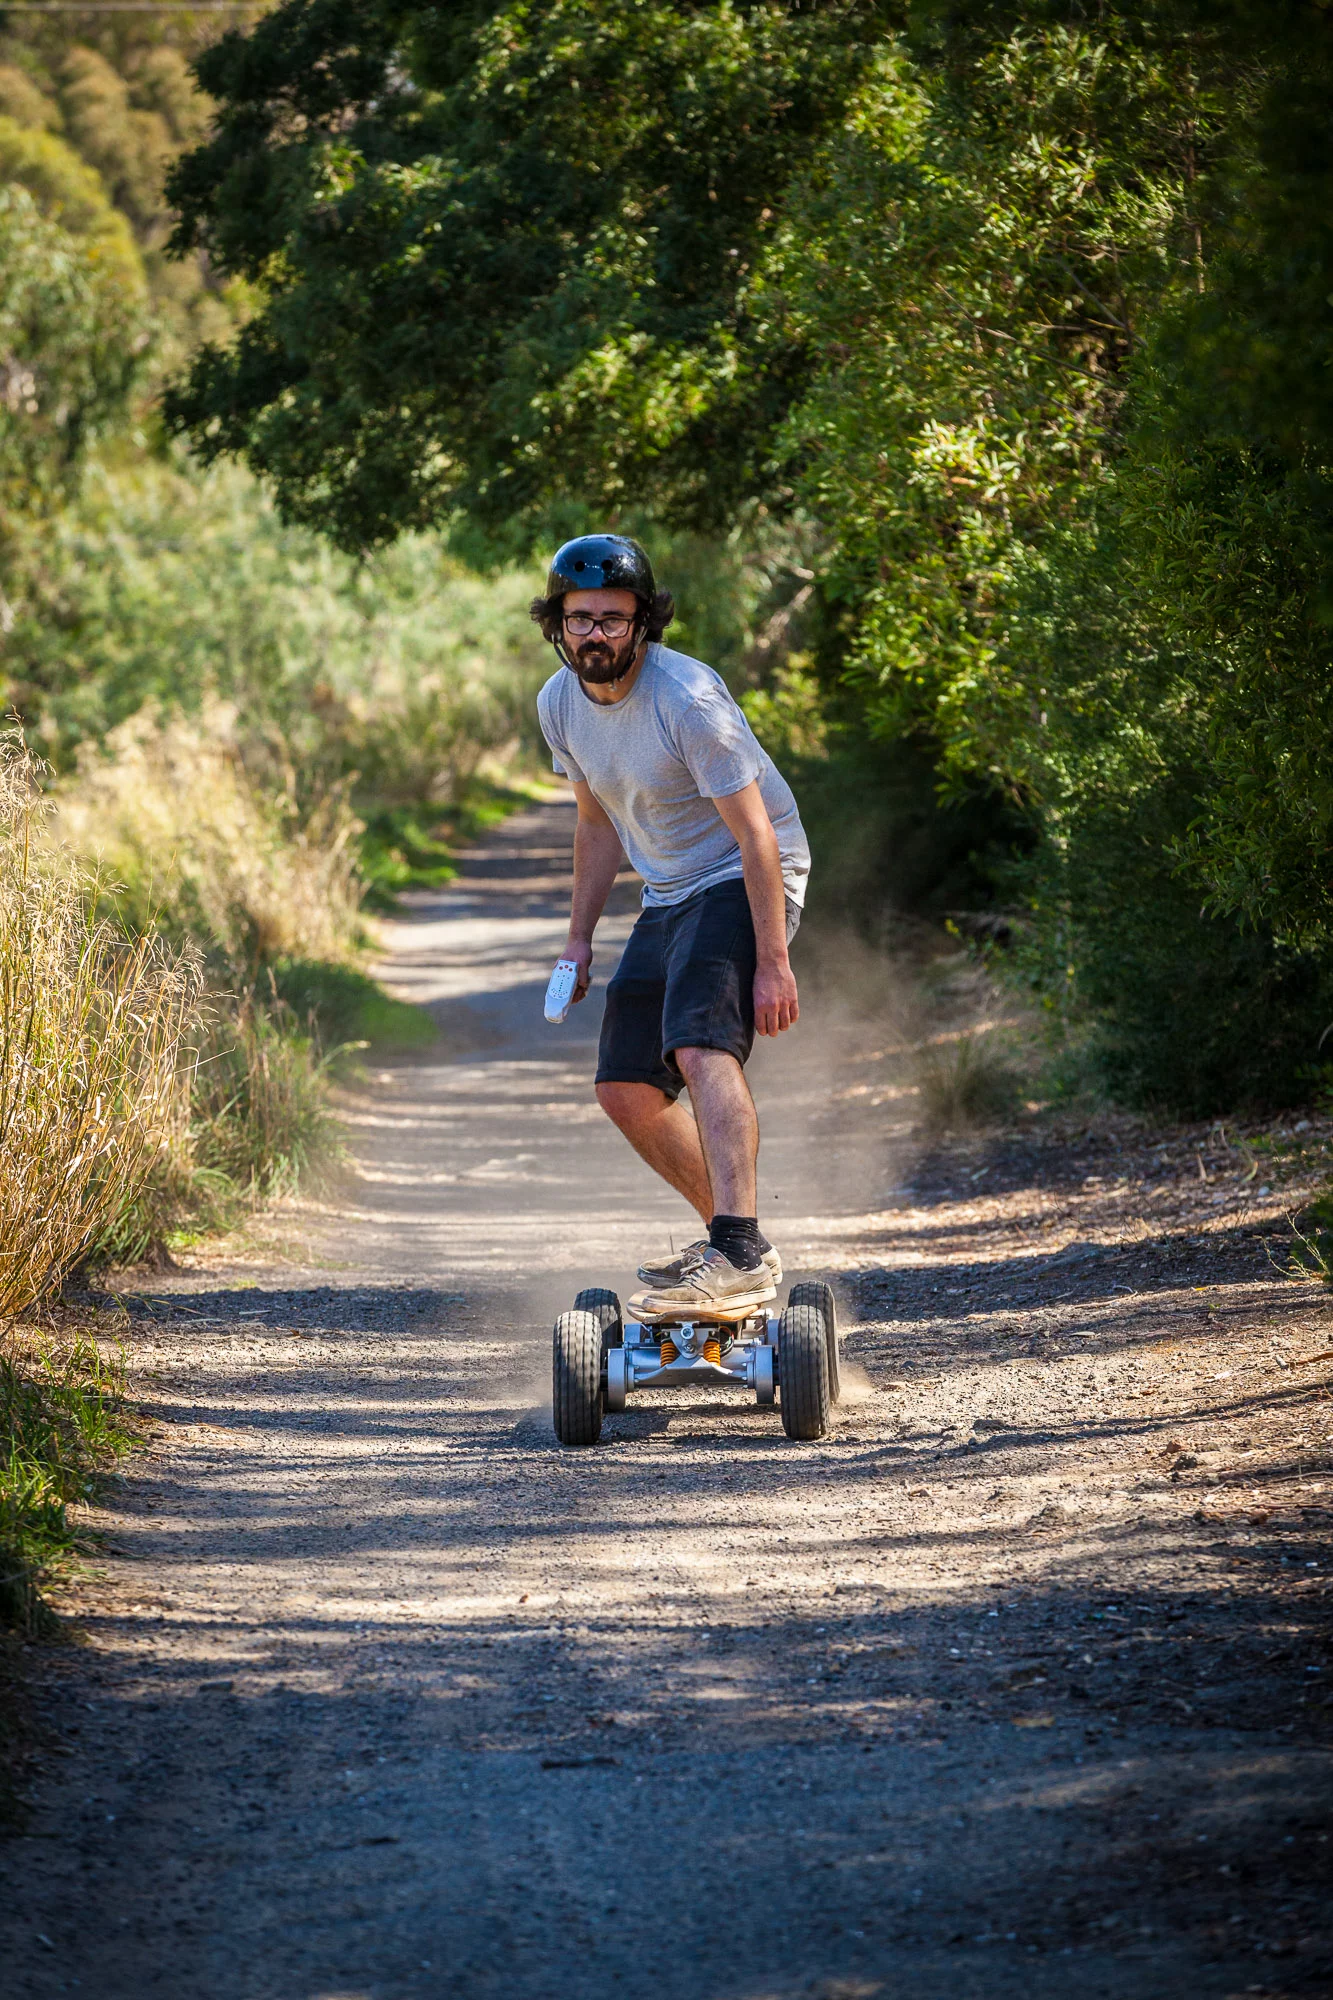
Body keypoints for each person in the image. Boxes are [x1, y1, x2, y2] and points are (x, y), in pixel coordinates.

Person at [532, 532, 810, 1315]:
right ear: (557, 623)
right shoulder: (559, 703)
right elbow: (595, 825)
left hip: (746, 874)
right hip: (667, 893)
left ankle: (737, 1248)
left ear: (642, 622)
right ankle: (732, 1247)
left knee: (696, 1043)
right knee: (623, 1086)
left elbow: (756, 835)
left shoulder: (686, 700)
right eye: (580, 618)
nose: (595, 633)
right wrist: (578, 940)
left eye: (613, 619)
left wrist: (771, 962)